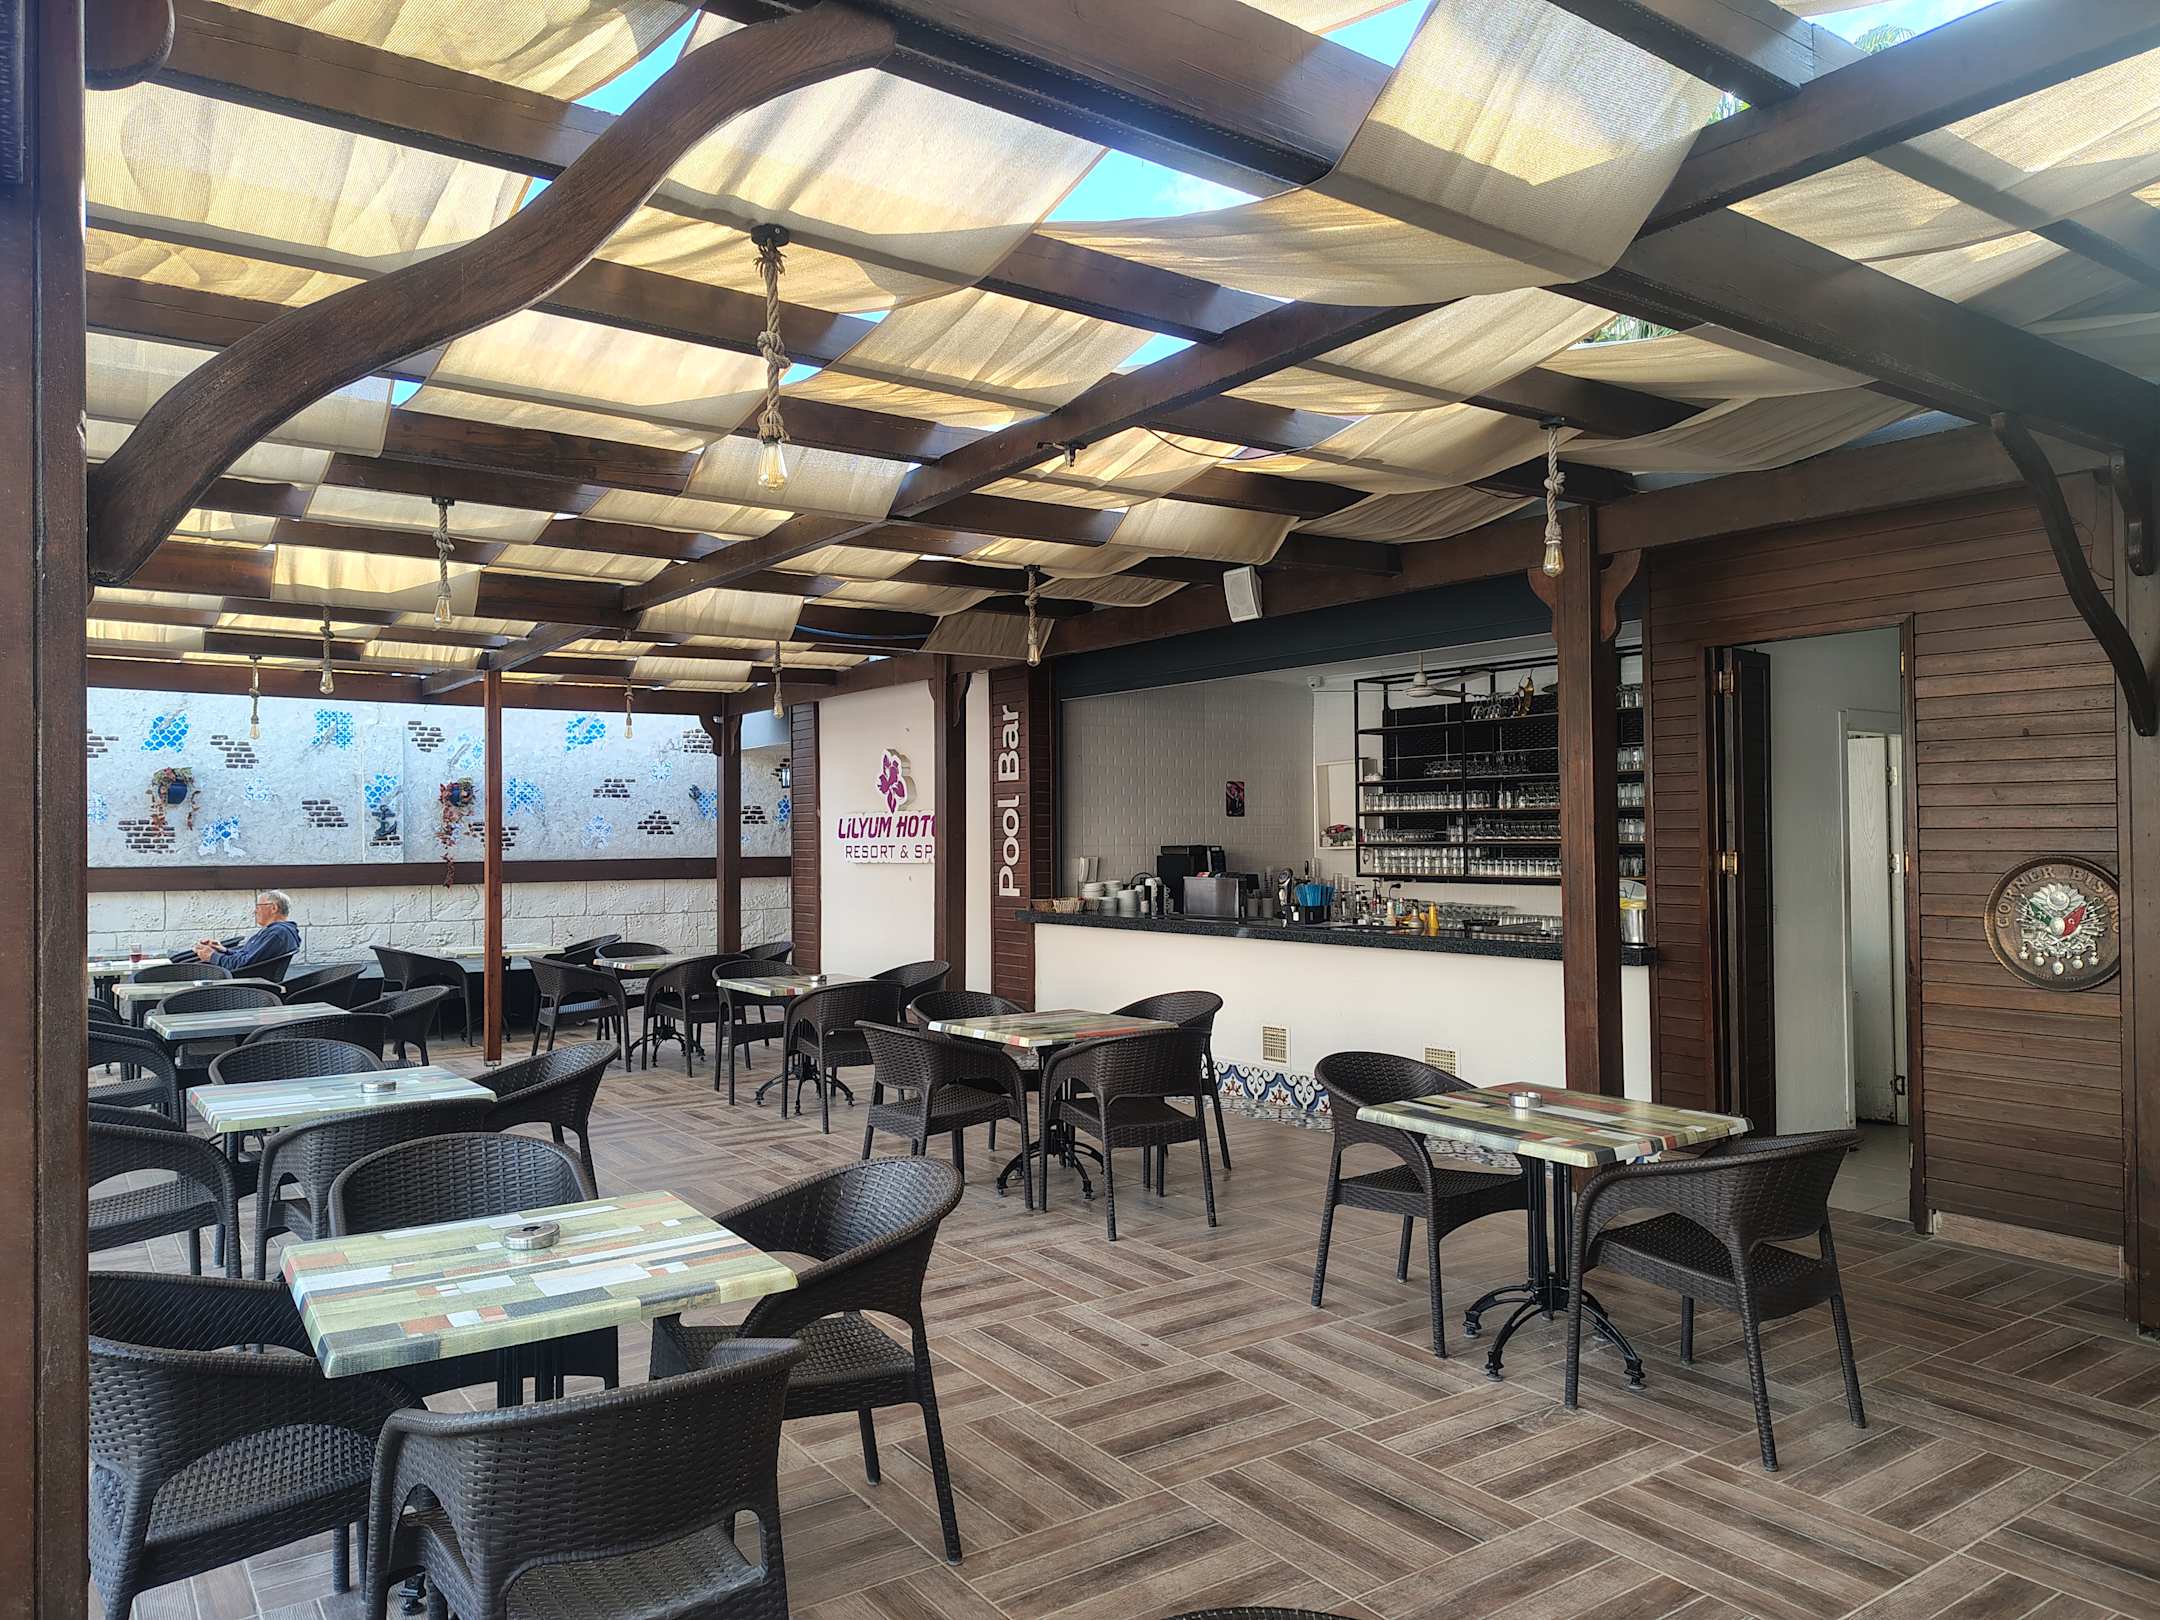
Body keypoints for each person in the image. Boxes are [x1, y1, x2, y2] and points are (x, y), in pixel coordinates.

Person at [194, 891, 301, 971]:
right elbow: (248, 956)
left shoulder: (277, 933)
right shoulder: (277, 931)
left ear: (273, 908)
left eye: (258, 906)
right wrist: (224, 950)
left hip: (241, 982)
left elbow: (243, 965)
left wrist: (212, 956)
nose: (255, 911)